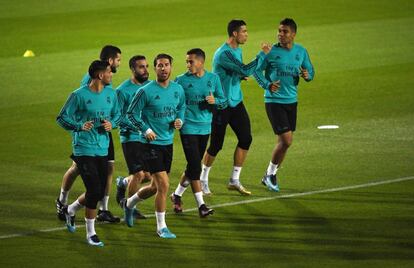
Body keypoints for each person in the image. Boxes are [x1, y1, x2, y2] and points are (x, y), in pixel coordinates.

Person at [199, 19, 270, 195]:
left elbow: (238, 71)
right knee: (216, 145)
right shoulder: (224, 54)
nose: (247, 34)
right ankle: (202, 179)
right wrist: (261, 55)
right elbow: (245, 69)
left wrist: (238, 76)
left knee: (246, 138)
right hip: (221, 105)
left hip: (236, 102)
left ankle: (234, 179)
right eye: (244, 31)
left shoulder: (237, 50)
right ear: (234, 34)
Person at [56, 60, 121, 247]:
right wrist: (78, 127)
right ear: (100, 75)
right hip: (83, 149)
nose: (111, 75)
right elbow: (61, 117)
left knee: (99, 191)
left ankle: (70, 210)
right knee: (94, 190)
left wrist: (112, 124)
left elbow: (118, 115)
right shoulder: (78, 95)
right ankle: (91, 233)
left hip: (102, 147)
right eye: (109, 72)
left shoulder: (111, 94)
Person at [125, 53, 186, 239]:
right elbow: (131, 113)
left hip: (167, 143)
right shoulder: (145, 91)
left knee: (154, 187)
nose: (163, 68)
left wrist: (179, 120)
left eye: (166, 65)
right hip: (150, 144)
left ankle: (128, 204)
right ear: (155, 68)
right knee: (164, 185)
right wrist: (145, 129)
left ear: (171, 67)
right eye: (159, 65)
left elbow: (181, 106)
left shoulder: (177, 89)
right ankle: (161, 227)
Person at [254, 18, 314, 191]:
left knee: (283, 142)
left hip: (291, 101)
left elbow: (310, 70)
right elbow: (256, 70)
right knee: (287, 141)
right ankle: (270, 174)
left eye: (285, 31)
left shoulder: (301, 52)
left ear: (293, 34)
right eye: (279, 31)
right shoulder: (270, 52)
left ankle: (270, 175)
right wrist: (267, 85)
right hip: (274, 101)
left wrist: (307, 75)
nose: (280, 34)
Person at [171, 48, 227, 217]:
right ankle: (201, 205)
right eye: (187, 61)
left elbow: (224, 102)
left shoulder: (213, 79)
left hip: (205, 128)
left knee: (192, 166)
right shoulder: (180, 81)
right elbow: (173, 102)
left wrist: (215, 101)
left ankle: (176, 195)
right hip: (187, 128)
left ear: (201, 62)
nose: (188, 64)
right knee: (196, 166)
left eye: (191, 61)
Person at [115, 55, 154, 219]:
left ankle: (123, 183)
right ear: (132, 69)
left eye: (146, 66)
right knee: (139, 175)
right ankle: (129, 209)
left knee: (148, 176)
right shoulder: (122, 90)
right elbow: (117, 117)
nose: (145, 70)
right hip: (130, 137)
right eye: (141, 67)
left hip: (147, 138)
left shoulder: (150, 87)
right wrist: (139, 127)